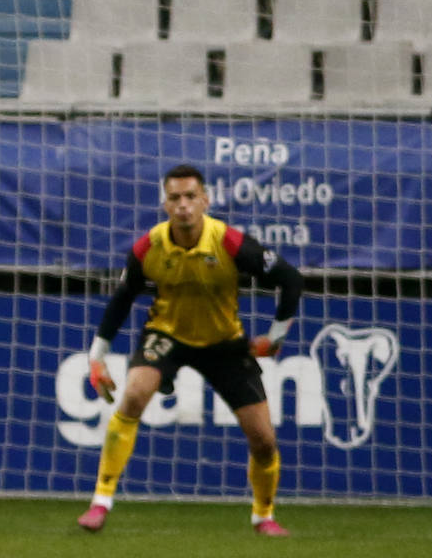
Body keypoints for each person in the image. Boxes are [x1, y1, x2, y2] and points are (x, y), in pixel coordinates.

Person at [78, 164, 304, 536]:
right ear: (165, 204)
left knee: (263, 439)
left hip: (224, 343)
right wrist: (96, 358)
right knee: (133, 394)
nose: (183, 205)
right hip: (168, 335)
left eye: (190, 197)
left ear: (205, 201)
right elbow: (122, 298)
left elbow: (291, 279)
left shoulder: (228, 242)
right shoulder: (148, 247)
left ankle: (263, 516)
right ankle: (100, 502)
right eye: (174, 198)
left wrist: (274, 339)